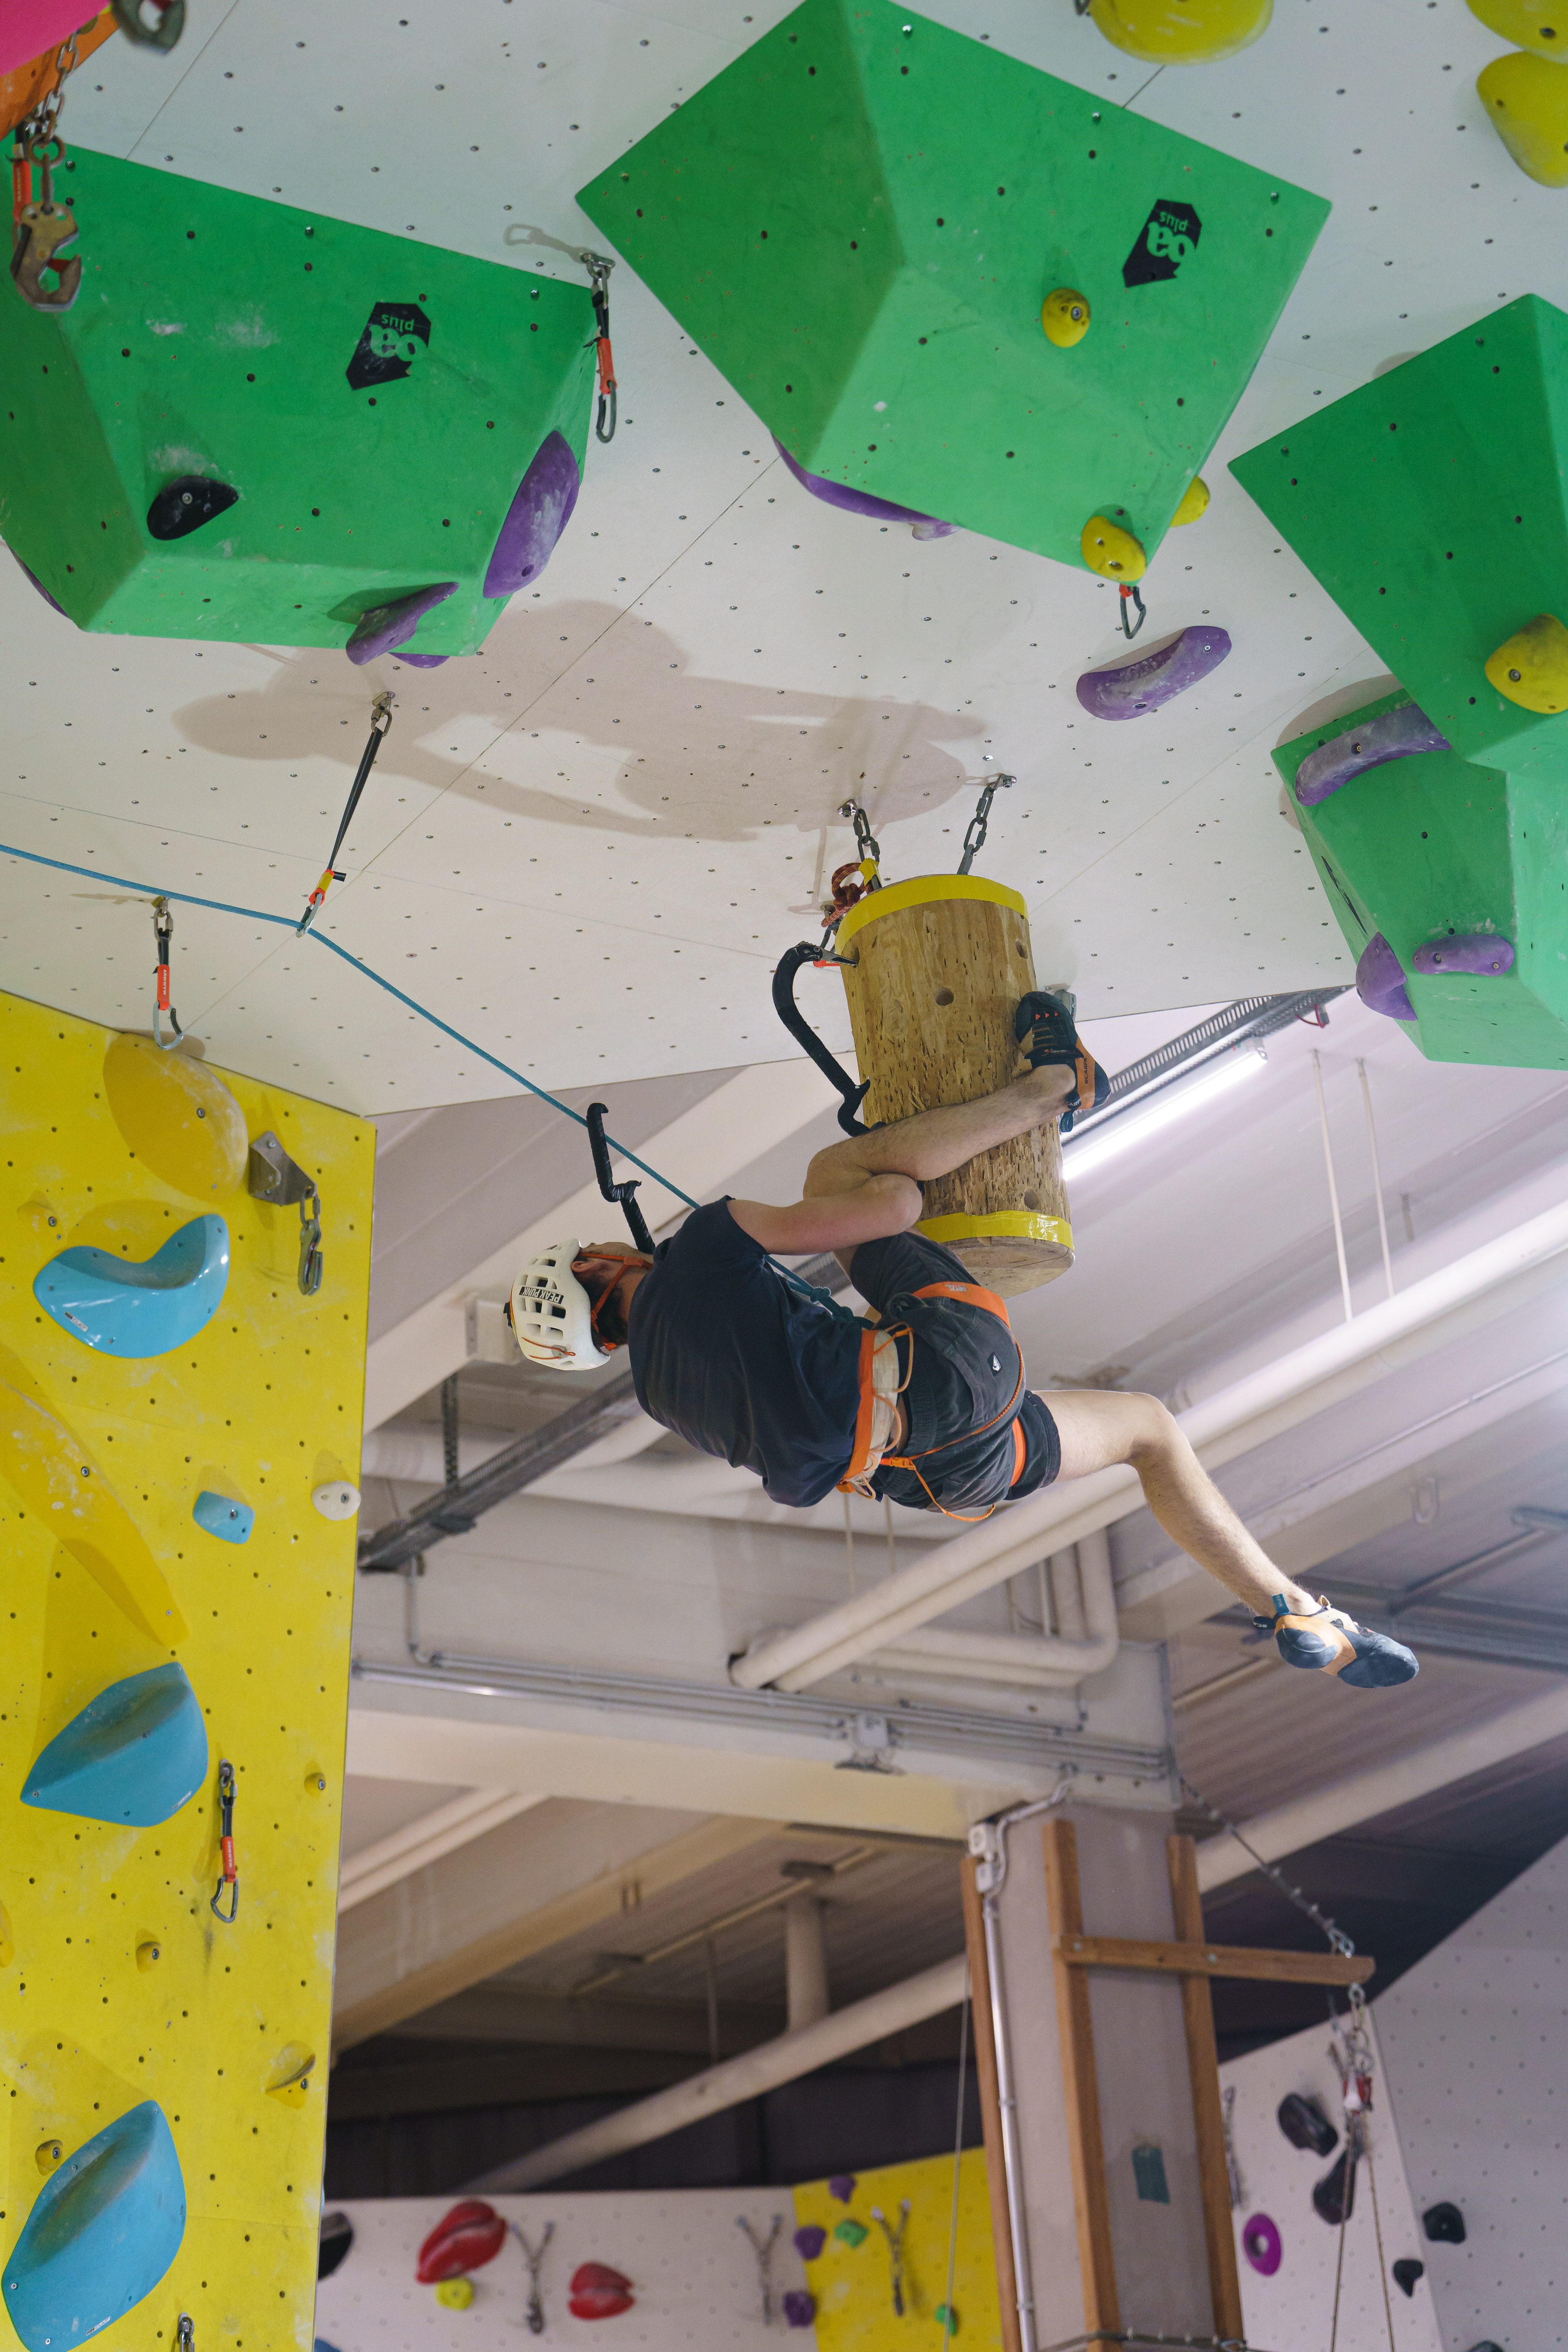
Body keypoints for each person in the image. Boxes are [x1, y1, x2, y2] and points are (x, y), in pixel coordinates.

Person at [510, 994, 1416, 1690]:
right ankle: (1053, 1085)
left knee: (1146, 1430)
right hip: (944, 1363)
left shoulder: (662, 1398)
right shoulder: (704, 1246)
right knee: (834, 1171)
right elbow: (893, 1205)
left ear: (601, 1346)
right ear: (595, 1264)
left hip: (943, 1472)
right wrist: (862, 1198)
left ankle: (1299, 1612)